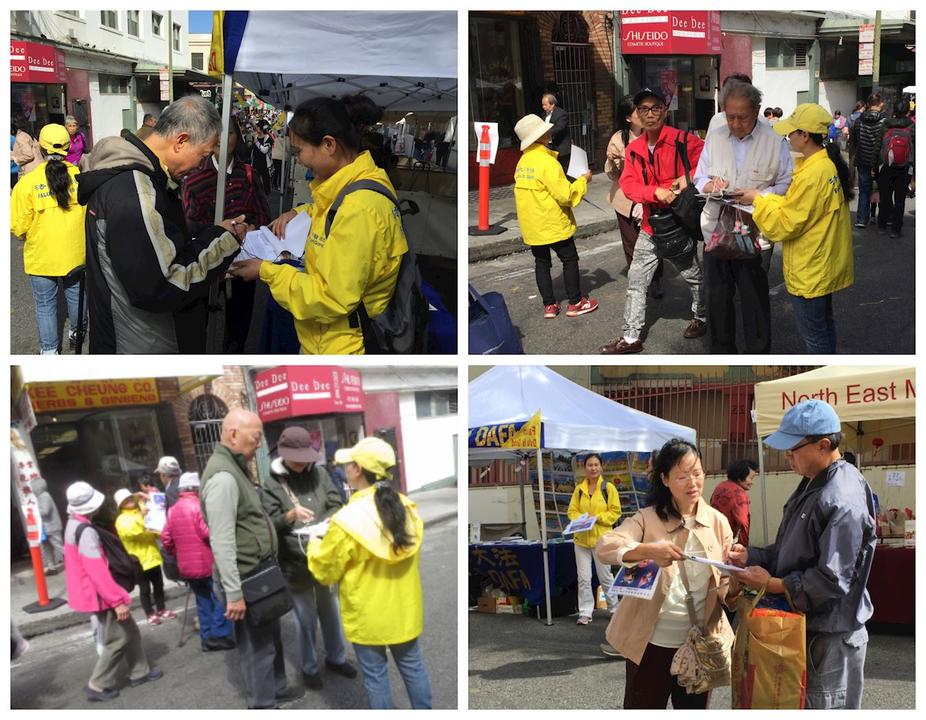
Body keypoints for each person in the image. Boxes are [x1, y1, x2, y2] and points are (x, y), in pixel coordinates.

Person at [227, 94, 407, 355]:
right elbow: (331, 210)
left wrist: (265, 271)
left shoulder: (359, 210)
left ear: (328, 145)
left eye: (300, 151)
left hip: (341, 349)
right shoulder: (360, 186)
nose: (299, 160)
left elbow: (330, 298)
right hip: (331, 340)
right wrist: (298, 211)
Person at [726, 400, 876, 709]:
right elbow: (789, 550)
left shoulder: (841, 497)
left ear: (823, 445)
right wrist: (750, 556)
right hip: (809, 629)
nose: (787, 456)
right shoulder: (813, 481)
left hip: (830, 638)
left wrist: (773, 584)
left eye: (793, 449)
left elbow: (831, 580)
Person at [77, 95, 247, 354]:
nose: (201, 165)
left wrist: (210, 232)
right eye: (203, 154)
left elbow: (160, 239)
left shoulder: (140, 180)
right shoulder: (136, 192)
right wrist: (224, 241)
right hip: (141, 348)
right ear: (181, 141)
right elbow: (166, 283)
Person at [596, 439, 735, 709]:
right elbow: (606, 546)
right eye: (682, 476)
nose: (692, 483)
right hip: (650, 645)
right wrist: (646, 549)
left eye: (697, 473)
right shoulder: (647, 518)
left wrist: (737, 567)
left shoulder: (718, 522)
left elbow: (727, 584)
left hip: (699, 645)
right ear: (665, 479)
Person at [307, 437, 432, 709]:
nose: (343, 469)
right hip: (404, 611)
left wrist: (316, 542)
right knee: (413, 667)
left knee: (376, 678)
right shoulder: (407, 509)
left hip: (367, 617)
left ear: (358, 469)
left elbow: (325, 571)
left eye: (347, 464)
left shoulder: (347, 520)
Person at [200, 408, 301, 709]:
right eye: (256, 437)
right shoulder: (223, 477)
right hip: (245, 579)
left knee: (272, 639)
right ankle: (261, 704)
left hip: (259, 573)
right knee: (257, 647)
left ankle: (276, 688)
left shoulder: (236, 466)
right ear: (233, 435)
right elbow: (222, 540)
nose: (260, 443)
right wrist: (233, 593)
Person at [737, 104, 854, 354]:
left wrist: (757, 201)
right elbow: (798, 208)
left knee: (813, 335)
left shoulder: (813, 173)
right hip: (822, 261)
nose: (788, 136)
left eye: (792, 132)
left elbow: (787, 223)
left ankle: (822, 382)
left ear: (804, 135)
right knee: (824, 326)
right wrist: (762, 196)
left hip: (810, 266)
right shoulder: (824, 165)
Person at [600, 87, 706, 355]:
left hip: (679, 223)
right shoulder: (633, 149)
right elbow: (629, 184)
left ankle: (701, 316)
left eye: (655, 107)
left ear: (665, 111)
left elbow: (709, 163)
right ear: (636, 114)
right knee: (636, 279)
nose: (649, 114)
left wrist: (687, 179)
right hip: (649, 227)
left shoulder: (684, 141)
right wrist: (653, 192)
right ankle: (631, 337)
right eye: (643, 109)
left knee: (692, 275)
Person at [694, 81, 794, 354]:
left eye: (742, 117)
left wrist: (759, 196)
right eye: (730, 116)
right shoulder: (715, 137)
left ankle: (758, 353)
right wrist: (708, 186)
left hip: (755, 232)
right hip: (715, 229)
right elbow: (699, 176)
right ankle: (722, 352)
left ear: (757, 111)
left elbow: (787, 184)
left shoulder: (774, 142)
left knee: (754, 299)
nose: (735, 123)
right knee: (717, 299)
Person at [260, 426, 356, 689]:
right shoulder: (272, 483)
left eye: (306, 457)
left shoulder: (321, 473)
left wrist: (326, 521)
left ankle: (336, 657)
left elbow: (337, 502)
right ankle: (309, 666)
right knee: (304, 618)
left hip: (324, 554)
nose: (303, 463)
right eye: (297, 458)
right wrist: (289, 516)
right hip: (295, 560)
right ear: (284, 454)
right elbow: (269, 524)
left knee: (331, 610)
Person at [64, 481, 162, 701]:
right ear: (92, 507)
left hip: (92, 592)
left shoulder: (72, 525)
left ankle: (140, 671)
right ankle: (98, 684)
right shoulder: (85, 531)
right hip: (100, 594)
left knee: (129, 631)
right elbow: (97, 570)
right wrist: (116, 601)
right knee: (117, 638)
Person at [182, 118, 270, 353]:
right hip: (206, 264)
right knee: (199, 327)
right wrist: (219, 231)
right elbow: (188, 226)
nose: (223, 138)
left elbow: (263, 216)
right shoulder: (194, 178)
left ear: (237, 136)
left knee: (238, 328)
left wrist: (251, 227)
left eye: (229, 132)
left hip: (242, 263)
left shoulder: (249, 174)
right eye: (217, 132)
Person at [512, 113, 598, 320]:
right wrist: (583, 181)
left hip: (533, 225)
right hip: (553, 222)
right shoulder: (547, 162)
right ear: (539, 137)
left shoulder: (522, 163)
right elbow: (565, 195)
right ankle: (576, 302)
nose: (549, 132)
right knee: (569, 260)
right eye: (544, 130)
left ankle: (549, 305)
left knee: (542, 264)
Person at [10, 123, 87, 355]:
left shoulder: (27, 183)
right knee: (76, 297)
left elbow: (17, 225)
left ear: (39, 148)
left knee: (45, 305)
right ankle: (78, 335)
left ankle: (50, 351)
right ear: (67, 147)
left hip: (41, 255)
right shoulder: (80, 177)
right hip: (76, 253)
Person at [160, 472, 235, 652]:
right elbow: (207, 532)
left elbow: (166, 538)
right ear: (196, 489)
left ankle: (207, 636)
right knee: (220, 598)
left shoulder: (172, 509)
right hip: (206, 563)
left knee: (202, 601)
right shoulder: (199, 507)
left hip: (186, 566)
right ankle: (219, 634)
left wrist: (178, 552)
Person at [606, 94, 663, 297]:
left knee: (656, 240)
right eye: (638, 110)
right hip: (626, 200)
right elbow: (613, 175)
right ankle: (640, 281)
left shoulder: (657, 134)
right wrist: (614, 163)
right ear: (628, 118)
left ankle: (655, 280)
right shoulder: (618, 139)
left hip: (653, 198)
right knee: (631, 243)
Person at [566, 453, 622, 624]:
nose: (593, 468)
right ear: (585, 468)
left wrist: (597, 517)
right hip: (581, 540)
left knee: (605, 577)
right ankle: (585, 612)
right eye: (590, 465)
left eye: (596, 464)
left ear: (601, 466)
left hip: (602, 540)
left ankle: (614, 609)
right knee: (583, 578)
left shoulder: (608, 488)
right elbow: (571, 511)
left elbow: (615, 512)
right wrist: (582, 518)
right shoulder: (579, 489)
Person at [113, 489, 176, 626]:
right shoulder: (122, 519)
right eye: (125, 500)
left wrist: (143, 499)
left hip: (152, 556)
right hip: (138, 560)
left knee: (159, 585)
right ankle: (149, 613)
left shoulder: (142, 512)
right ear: (120, 505)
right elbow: (132, 531)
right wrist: (142, 516)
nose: (129, 501)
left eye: (130, 498)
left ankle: (161, 608)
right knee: (145, 589)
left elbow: (154, 529)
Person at [876, 100, 915, 238]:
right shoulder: (912, 126)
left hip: (887, 165)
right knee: (900, 200)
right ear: (907, 112)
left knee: (885, 197)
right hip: (904, 168)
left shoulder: (886, 124)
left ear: (893, 110)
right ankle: (896, 230)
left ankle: (882, 225)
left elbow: (878, 145)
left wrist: (875, 166)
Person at [849, 93, 887, 228]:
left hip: (863, 159)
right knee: (883, 190)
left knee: (864, 190)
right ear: (880, 104)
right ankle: (884, 219)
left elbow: (853, 141)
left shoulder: (858, 121)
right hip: (880, 162)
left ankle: (861, 219)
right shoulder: (884, 121)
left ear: (868, 105)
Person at [709, 458, 758, 547]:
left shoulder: (720, 486)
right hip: (727, 541)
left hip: (713, 537)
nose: (752, 482)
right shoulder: (740, 495)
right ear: (740, 477)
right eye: (751, 478)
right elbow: (743, 524)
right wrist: (743, 547)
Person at [33, 477, 64, 574]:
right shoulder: (41, 496)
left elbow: (45, 511)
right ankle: (51, 568)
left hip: (52, 526)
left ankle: (76, 562)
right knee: (46, 548)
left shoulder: (44, 496)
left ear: (38, 487)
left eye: (33, 487)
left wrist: (33, 512)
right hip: (46, 528)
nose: (32, 489)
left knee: (59, 547)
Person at [539, 93, 572, 175]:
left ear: (552, 104)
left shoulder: (561, 114)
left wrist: (546, 134)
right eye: (542, 105)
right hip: (549, 147)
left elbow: (559, 128)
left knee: (565, 170)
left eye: (545, 105)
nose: (543, 107)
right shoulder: (543, 114)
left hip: (561, 147)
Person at [251, 123, 274, 195]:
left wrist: (256, 142)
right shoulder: (255, 136)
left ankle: (266, 195)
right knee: (254, 178)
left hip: (264, 163)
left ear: (261, 128)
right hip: (255, 161)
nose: (256, 128)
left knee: (265, 179)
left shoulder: (268, 138)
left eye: (257, 127)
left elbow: (264, 150)